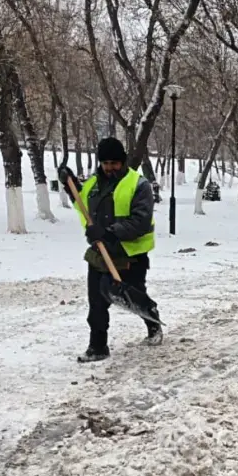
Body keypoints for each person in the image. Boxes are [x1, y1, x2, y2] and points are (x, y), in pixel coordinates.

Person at [60, 137, 161, 362]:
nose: (110, 168)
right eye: (105, 163)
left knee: (134, 297)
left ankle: (152, 322)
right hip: (99, 253)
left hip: (129, 253)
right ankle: (98, 346)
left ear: (123, 162)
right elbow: (82, 204)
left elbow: (141, 221)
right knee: (96, 301)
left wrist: (108, 232)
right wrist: (71, 187)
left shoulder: (139, 184)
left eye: (114, 163)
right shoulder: (94, 184)